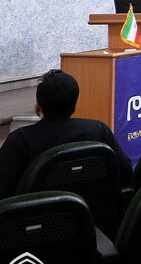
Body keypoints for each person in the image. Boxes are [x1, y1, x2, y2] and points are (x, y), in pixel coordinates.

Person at [0, 69, 132, 197]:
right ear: (74, 104)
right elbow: (125, 173)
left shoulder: (20, 140)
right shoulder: (98, 130)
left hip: (37, 212)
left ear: (37, 106)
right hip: (95, 210)